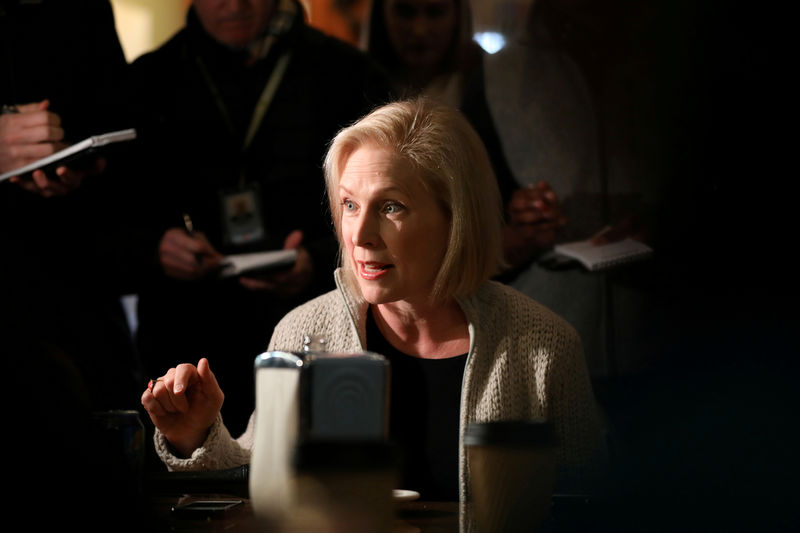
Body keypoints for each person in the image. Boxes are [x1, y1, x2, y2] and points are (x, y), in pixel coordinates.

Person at [141, 98, 607, 511]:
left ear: (456, 218)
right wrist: (196, 435)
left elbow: (591, 504)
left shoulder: (545, 344)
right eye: (349, 205)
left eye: (391, 207)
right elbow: (261, 472)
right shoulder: (305, 329)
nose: (359, 236)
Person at [126, 0, 392, 437]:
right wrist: (155, 247)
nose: (235, 5)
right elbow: (98, 226)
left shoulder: (346, 73)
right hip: (182, 334)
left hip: (312, 332)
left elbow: (386, 207)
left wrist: (320, 257)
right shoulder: (148, 80)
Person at [361, 0, 566, 271]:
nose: (420, 30)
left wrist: (529, 210)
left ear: (457, 15)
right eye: (405, 12)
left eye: (435, 13)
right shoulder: (357, 83)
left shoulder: (490, 83)